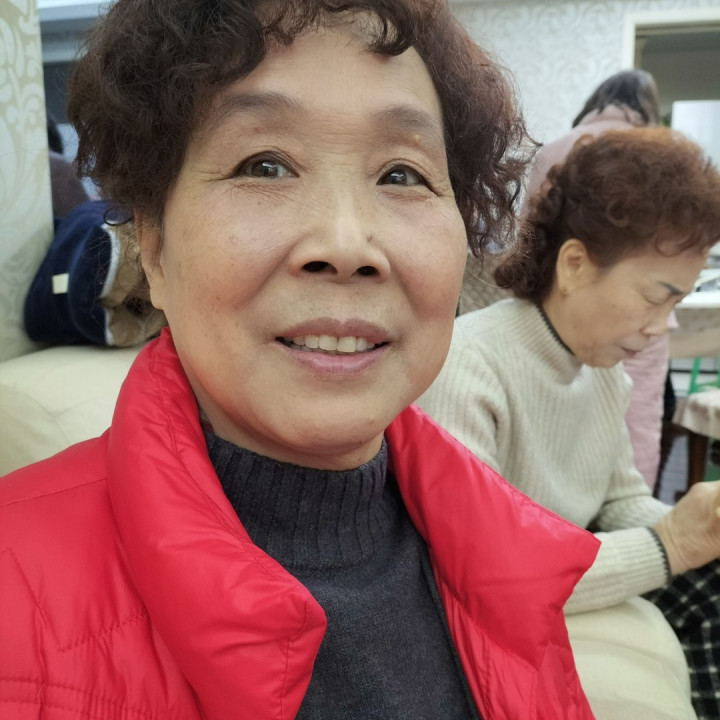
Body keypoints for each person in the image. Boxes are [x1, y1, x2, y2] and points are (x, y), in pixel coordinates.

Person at [0, 1, 600, 718]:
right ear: (154, 250)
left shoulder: (510, 559)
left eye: (402, 175)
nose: (346, 245)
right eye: (265, 165)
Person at [418, 126, 720, 718]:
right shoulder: (467, 367)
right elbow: (481, 579)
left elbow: (619, 502)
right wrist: (670, 543)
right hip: (481, 625)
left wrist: (700, 526)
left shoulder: (603, 374)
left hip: (561, 588)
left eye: (676, 303)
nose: (662, 325)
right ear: (575, 264)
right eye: (655, 296)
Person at [523, 69, 670, 489]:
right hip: (640, 303)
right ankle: (632, 505)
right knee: (637, 411)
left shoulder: (554, 149)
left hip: (555, 303)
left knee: (550, 403)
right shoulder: (657, 152)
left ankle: (545, 501)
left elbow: (527, 237)